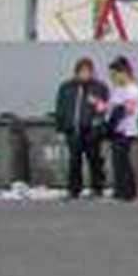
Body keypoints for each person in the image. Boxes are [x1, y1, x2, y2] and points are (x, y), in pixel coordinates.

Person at [50, 57, 109, 199]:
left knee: (94, 159)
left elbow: (104, 108)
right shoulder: (66, 87)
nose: (85, 74)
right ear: (76, 72)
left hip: (91, 130)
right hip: (73, 129)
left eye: (88, 71)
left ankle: (97, 187)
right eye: (82, 72)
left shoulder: (99, 87)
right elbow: (60, 108)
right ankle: (74, 189)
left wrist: (98, 122)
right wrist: (60, 128)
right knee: (74, 160)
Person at [105, 55, 138, 202]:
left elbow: (128, 109)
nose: (112, 78)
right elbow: (111, 107)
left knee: (123, 161)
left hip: (127, 130)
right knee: (117, 161)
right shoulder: (117, 90)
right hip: (116, 129)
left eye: (114, 75)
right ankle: (121, 189)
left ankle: (128, 191)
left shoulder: (133, 90)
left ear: (123, 73)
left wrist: (115, 113)